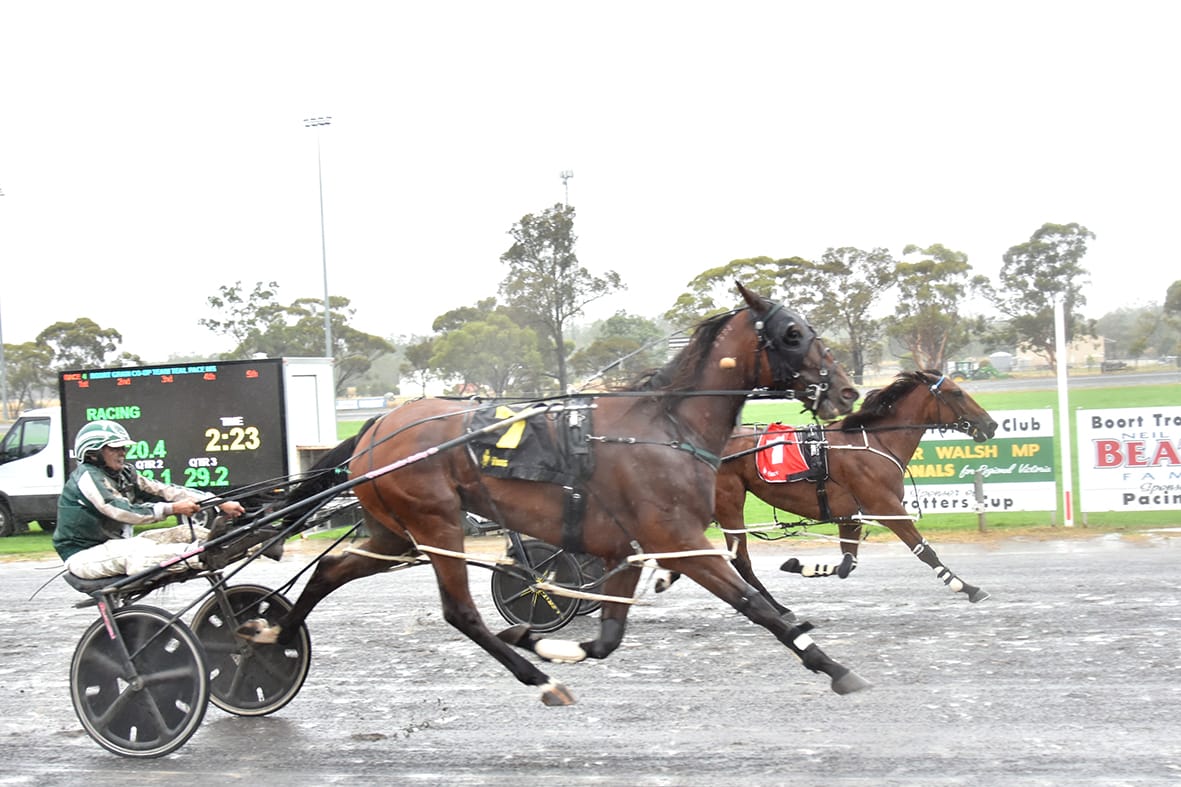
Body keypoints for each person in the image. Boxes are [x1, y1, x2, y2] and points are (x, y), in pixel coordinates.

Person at [53, 420, 246, 579]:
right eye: (115, 448)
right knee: (139, 552)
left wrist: (217, 501)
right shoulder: (87, 477)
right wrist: (173, 509)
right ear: (93, 453)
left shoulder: (125, 473)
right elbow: (122, 510)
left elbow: (165, 490)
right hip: (84, 556)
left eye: (123, 448)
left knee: (183, 533)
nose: (123, 453)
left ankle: (249, 542)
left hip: (116, 545)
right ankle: (203, 553)